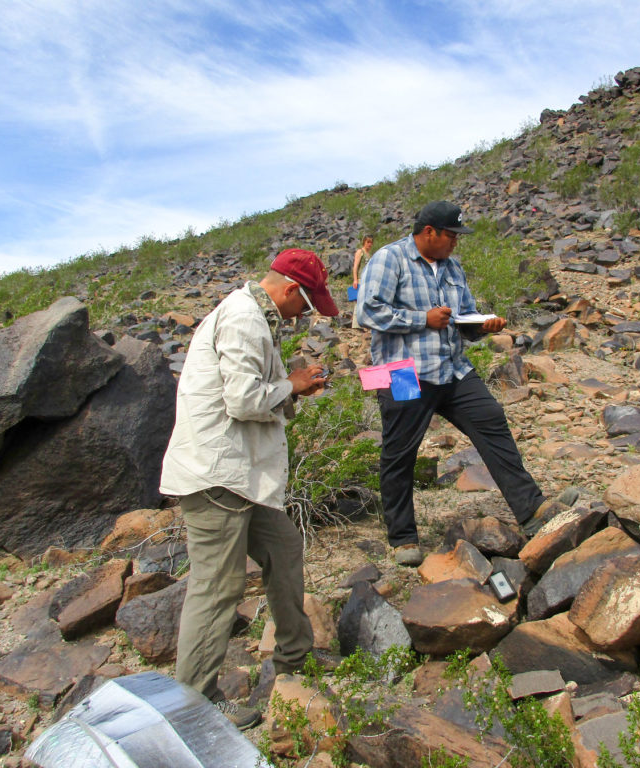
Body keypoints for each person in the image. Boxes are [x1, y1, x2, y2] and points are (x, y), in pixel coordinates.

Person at [160, 248, 339, 728]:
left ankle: (295, 655)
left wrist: (291, 387)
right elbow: (242, 400)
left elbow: (250, 392)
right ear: (288, 290)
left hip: (238, 477)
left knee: (284, 548)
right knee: (218, 588)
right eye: (306, 302)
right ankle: (193, 705)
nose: (306, 314)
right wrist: (293, 386)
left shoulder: (254, 317)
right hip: (215, 476)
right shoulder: (243, 318)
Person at [355, 201, 546, 567]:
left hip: (452, 367)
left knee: (491, 420)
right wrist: (421, 319)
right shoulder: (389, 259)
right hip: (402, 371)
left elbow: (461, 317)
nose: (456, 242)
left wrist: (481, 325)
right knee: (399, 452)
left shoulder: (452, 266)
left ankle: (532, 509)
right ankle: (403, 538)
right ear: (429, 232)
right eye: (452, 235)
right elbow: (367, 312)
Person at [350, 235, 373, 330]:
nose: (370, 244)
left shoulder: (369, 254)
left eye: (371, 242)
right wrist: (355, 280)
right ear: (364, 242)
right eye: (368, 242)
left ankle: (364, 324)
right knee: (358, 302)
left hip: (367, 281)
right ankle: (356, 325)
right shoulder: (360, 252)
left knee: (366, 302)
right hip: (360, 279)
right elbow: (355, 267)